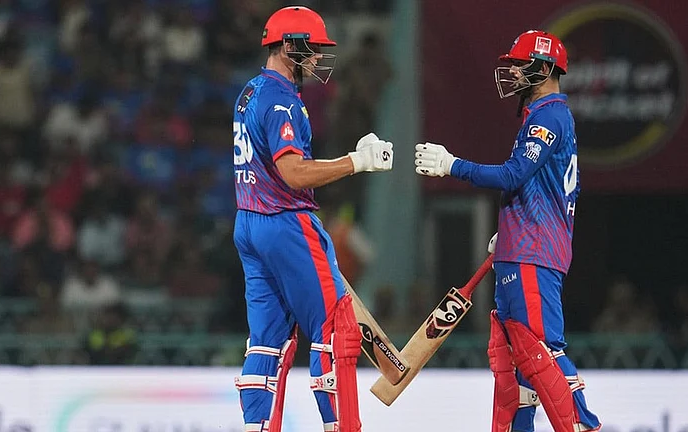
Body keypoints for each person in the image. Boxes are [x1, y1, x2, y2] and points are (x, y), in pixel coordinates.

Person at [414, 30, 601, 432]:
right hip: (525, 247)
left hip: (534, 252)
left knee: (542, 351)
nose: (513, 72)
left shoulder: (550, 115)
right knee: (514, 361)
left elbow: (514, 174)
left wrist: (451, 166)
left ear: (546, 68)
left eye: (521, 64)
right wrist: (511, 226)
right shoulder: (544, 116)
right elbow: (546, 186)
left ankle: (584, 424)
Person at [231, 6, 394, 432]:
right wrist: (355, 161)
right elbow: (293, 172)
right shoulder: (281, 100)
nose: (318, 58)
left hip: (249, 222)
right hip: (286, 222)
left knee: (266, 343)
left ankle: (257, 427)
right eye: (311, 48)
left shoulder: (249, 91)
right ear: (287, 46)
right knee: (335, 328)